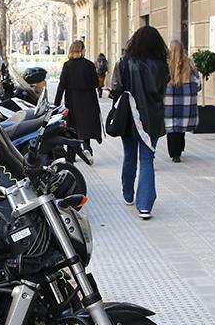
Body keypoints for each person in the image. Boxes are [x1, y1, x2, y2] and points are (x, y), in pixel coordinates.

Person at [111, 26, 168, 219]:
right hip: (152, 117)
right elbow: (162, 90)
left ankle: (128, 194)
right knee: (147, 159)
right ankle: (145, 205)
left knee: (129, 156)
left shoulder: (125, 62)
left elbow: (115, 88)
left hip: (129, 115)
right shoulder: (161, 64)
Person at [53, 41, 102, 155]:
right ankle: (86, 148)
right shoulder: (89, 65)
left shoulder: (67, 65)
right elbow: (95, 83)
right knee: (86, 125)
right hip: (88, 100)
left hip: (72, 100)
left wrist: (56, 104)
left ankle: (71, 154)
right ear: (82, 50)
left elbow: (61, 86)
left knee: (72, 126)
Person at [163, 40, 200, 162]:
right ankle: (178, 151)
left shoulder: (165, 64)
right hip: (185, 104)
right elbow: (198, 84)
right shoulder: (189, 63)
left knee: (171, 127)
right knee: (181, 127)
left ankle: (173, 153)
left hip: (168, 103)